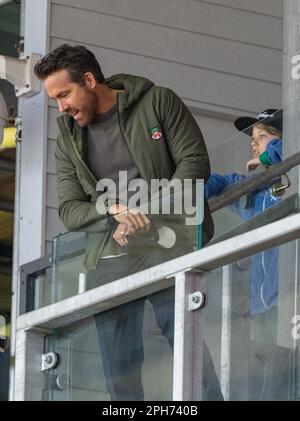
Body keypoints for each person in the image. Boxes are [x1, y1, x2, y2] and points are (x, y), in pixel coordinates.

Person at [34, 44, 222, 401]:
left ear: (89, 80)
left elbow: (194, 164)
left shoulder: (158, 101)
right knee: (119, 374)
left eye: (64, 94)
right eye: (55, 99)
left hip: (170, 244)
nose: (61, 108)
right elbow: (70, 210)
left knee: (188, 347)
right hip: (111, 259)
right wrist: (112, 210)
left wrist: (143, 215)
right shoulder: (69, 139)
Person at [205, 109, 292, 400]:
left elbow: (288, 153)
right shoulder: (254, 194)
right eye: (252, 140)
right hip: (259, 311)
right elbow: (220, 183)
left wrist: (270, 156)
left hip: (290, 303)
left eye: (263, 136)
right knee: (266, 385)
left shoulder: (294, 184)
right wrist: (199, 189)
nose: (254, 145)